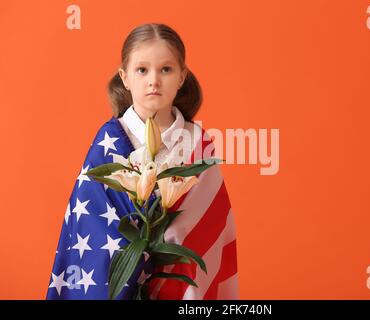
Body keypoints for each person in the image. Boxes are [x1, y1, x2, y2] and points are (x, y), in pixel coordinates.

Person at [46, 23, 239, 300]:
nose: (154, 81)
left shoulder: (198, 143)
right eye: (142, 70)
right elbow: (90, 224)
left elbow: (209, 229)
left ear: (182, 77)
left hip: (178, 287)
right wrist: (136, 254)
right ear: (125, 78)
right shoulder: (108, 141)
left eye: (166, 69)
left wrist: (168, 241)